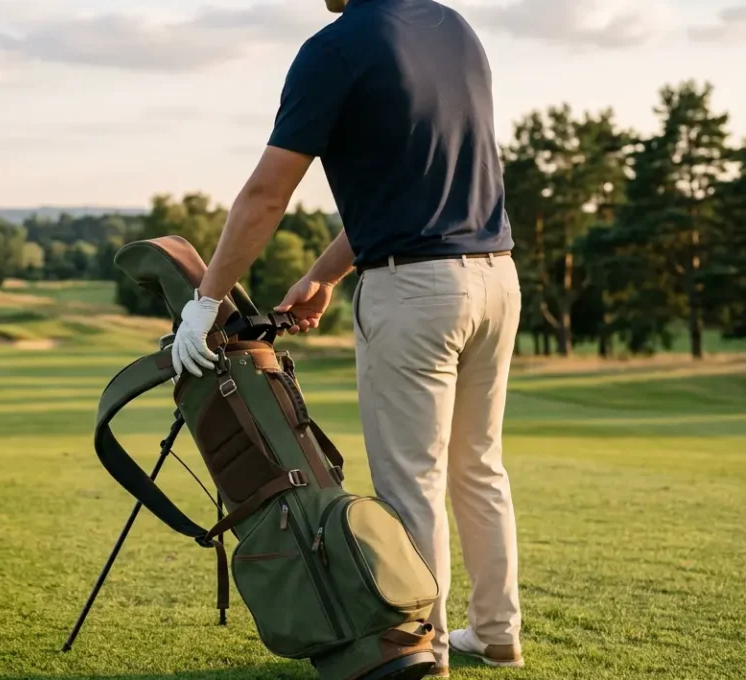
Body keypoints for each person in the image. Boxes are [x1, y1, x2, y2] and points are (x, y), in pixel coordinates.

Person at [169, 1, 521, 676]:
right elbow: (412, 190)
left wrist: (205, 301)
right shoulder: (454, 29)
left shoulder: (333, 49)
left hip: (414, 292)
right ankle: (496, 632)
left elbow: (266, 195)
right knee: (479, 466)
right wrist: (323, 275)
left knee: (411, 479)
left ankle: (421, 648)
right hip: (496, 279)